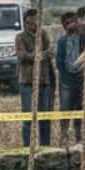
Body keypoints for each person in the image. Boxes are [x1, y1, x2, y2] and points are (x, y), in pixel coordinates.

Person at [14, 8, 54, 147]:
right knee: (28, 117)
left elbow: (51, 51)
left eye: (37, 21)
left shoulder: (44, 34)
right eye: (31, 22)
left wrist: (39, 55)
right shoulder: (20, 37)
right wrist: (40, 55)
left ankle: (45, 146)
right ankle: (27, 147)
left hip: (44, 81)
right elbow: (22, 55)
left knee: (45, 117)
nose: (35, 24)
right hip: (27, 81)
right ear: (26, 22)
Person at [55, 11, 84, 144]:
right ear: (63, 25)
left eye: (73, 22)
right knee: (65, 109)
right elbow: (59, 62)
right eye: (67, 23)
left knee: (79, 109)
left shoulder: (83, 38)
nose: (71, 25)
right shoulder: (62, 40)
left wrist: (82, 74)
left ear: (77, 22)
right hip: (66, 81)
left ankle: (79, 137)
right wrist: (66, 77)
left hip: (81, 78)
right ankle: (64, 136)